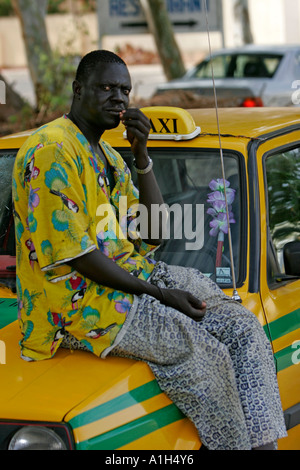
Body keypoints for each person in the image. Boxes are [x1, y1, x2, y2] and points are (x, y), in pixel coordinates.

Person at [12, 50, 287, 450]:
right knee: (200, 349)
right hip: (75, 303)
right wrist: (161, 296)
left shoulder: (108, 156)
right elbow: (77, 256)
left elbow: (154, 233)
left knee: (242, 329)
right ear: (78, 90)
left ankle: (264, 445)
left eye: (124, 90)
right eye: (106, 88)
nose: (118, 99)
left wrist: (141, 155)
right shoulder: (53, 150)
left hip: (133, 281)